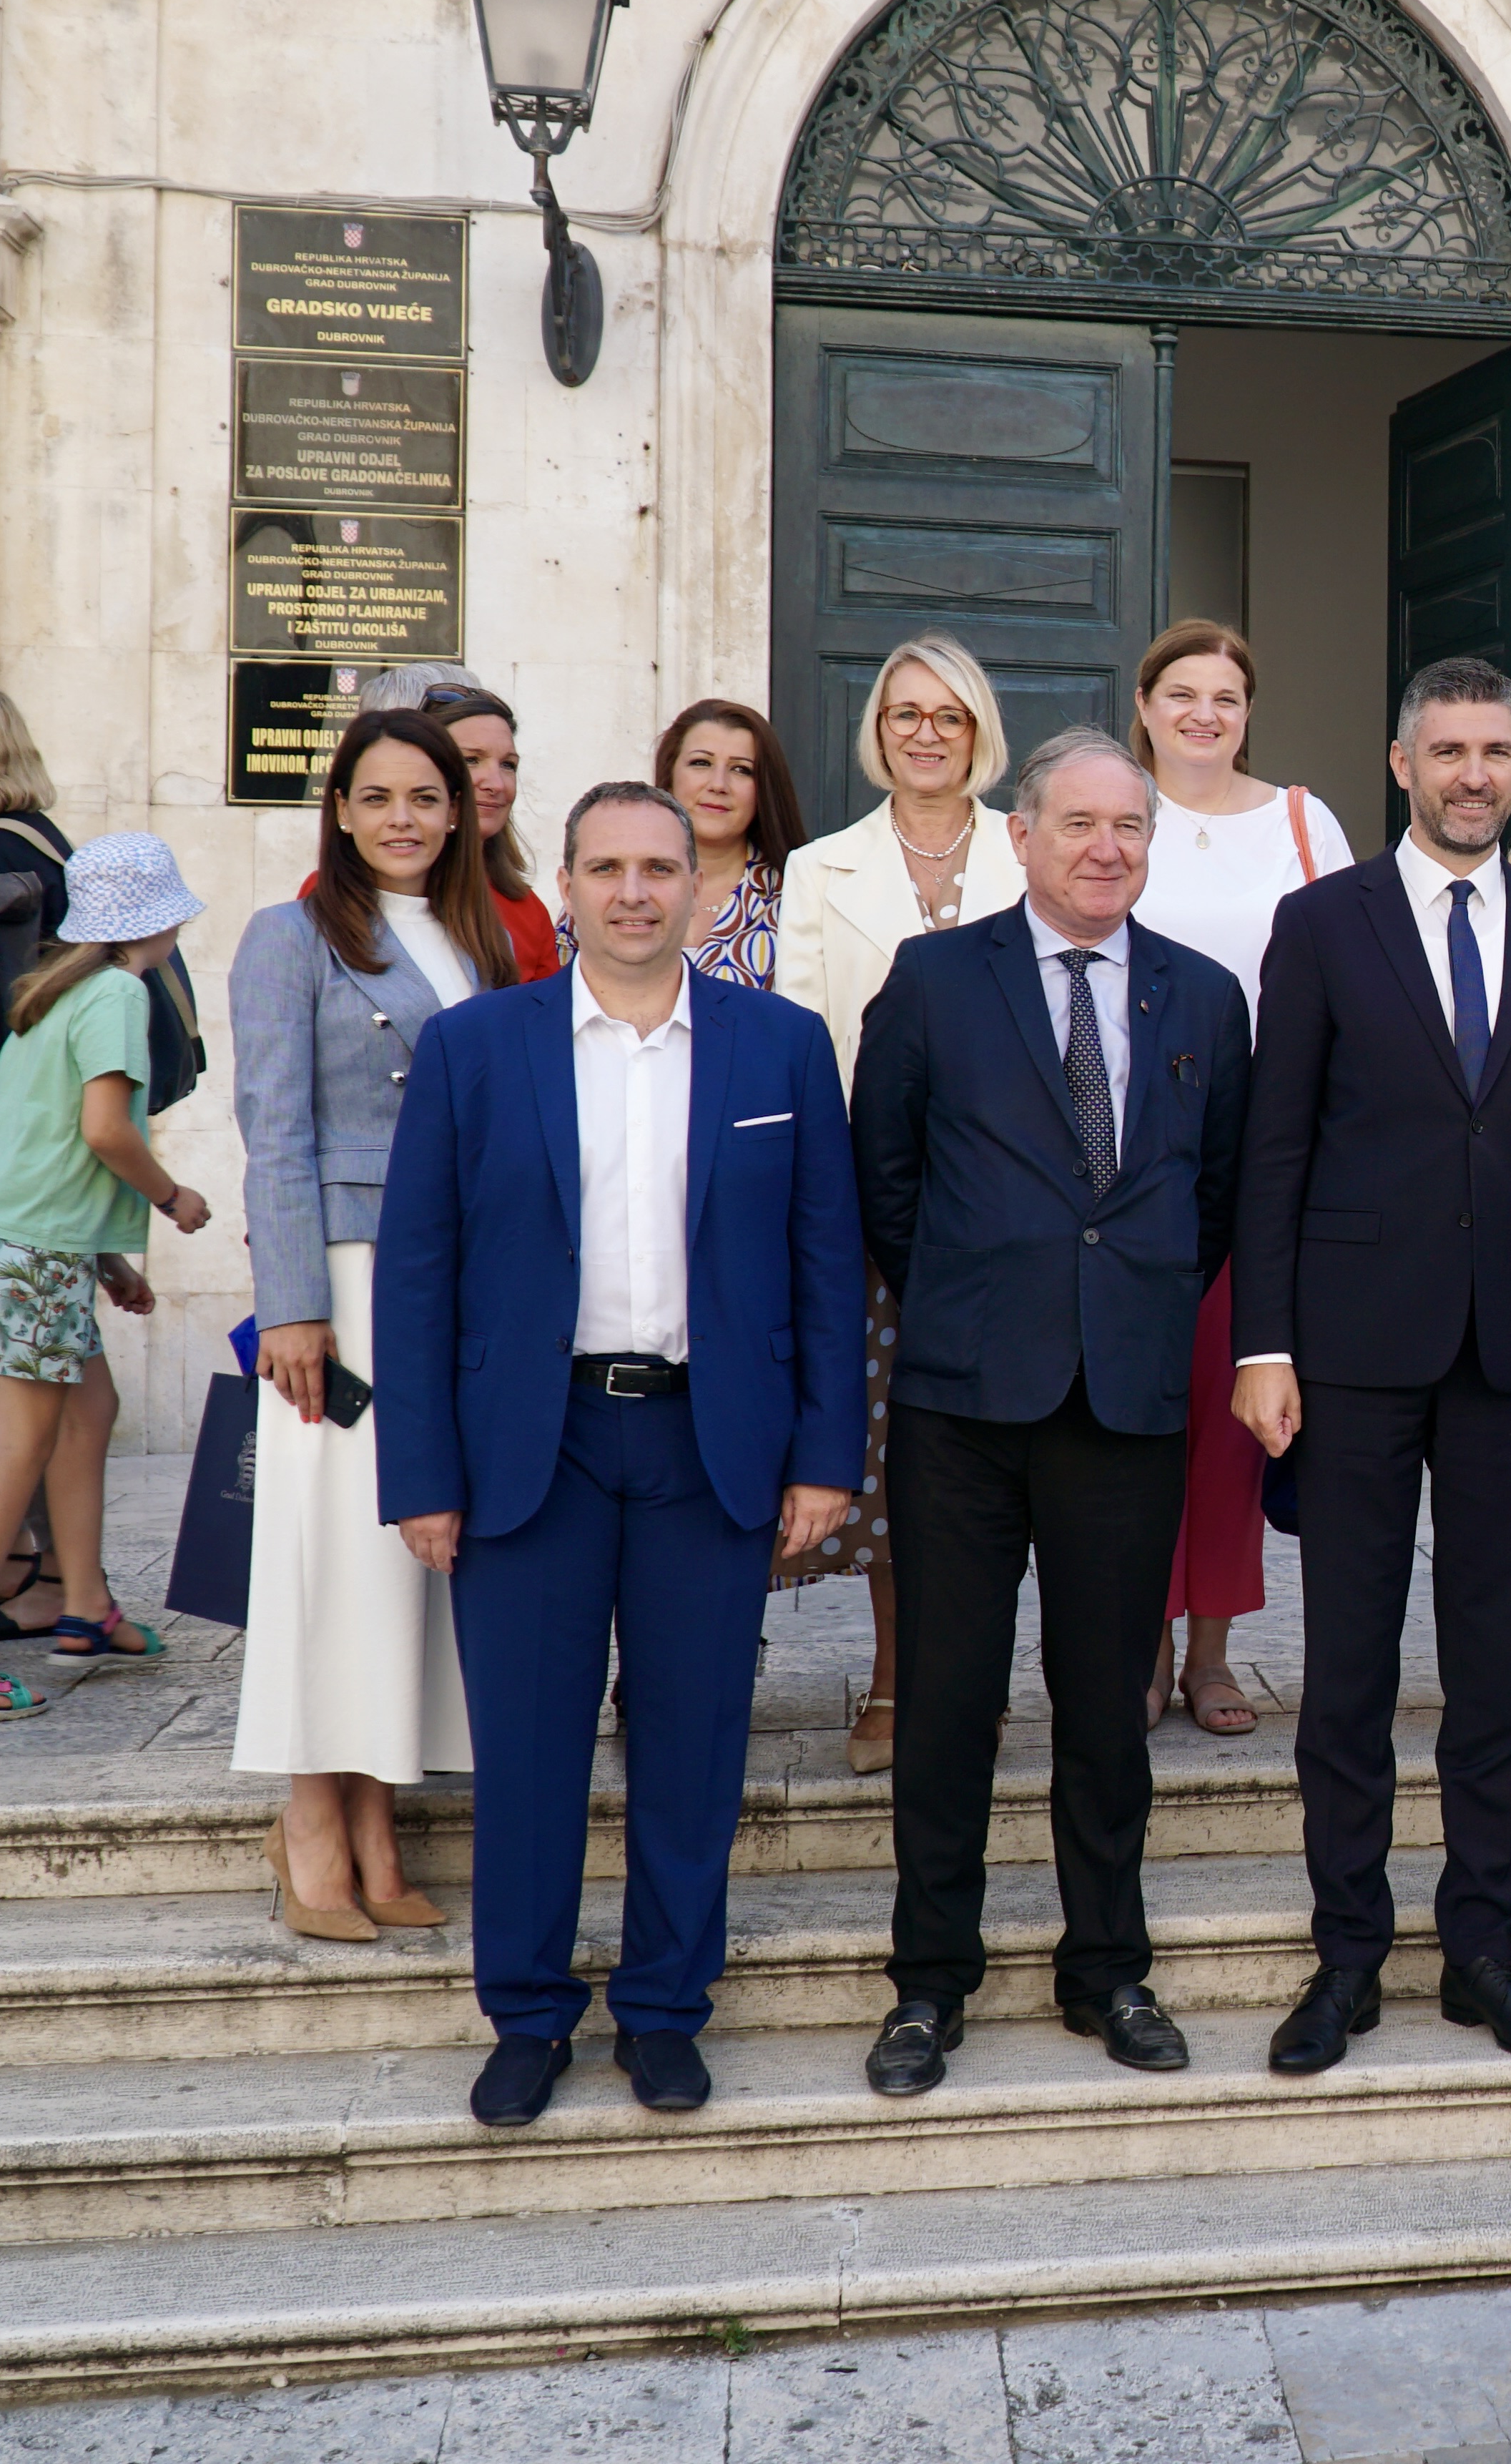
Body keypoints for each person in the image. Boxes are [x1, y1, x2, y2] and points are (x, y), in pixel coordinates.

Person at [370, 782, 862, 2130]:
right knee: (528, 1750)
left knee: (694, 1743)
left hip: (713, 1442)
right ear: (567, 887)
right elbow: (420, 1272)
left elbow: (829, 1263)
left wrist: (826, 1456)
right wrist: (421, 1472)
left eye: (661, 868)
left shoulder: (781, 1049)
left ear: (701, 888)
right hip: (538, 1444)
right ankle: (527, 2014)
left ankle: (662, 2010)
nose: (636, 892)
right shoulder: (478, 1048)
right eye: (607, 869)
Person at [1232, 657, 1511, 2076]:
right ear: (1400, 763)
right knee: (1342, 1668)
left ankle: (1482, 1947)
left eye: (1496, 748)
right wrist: (1263, 1344)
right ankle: (1346, 1953)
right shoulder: (1322, 922)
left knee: (1493, 1674)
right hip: (1346, 1349)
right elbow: (1274, 1146)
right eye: (1448, 748)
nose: (1475, 772)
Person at [850, 732, 1253, 2094]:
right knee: (949, 1703)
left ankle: (1108, 1970)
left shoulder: (1202, 999)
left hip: (1124, 1402)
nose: (1106, 849)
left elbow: (1214, 1199)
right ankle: (929, 1986)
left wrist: (1122, 1307)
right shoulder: (934, 980)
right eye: (1078, 824)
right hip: (965, 1398)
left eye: (1128, 829)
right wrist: (982, 1295)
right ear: (1019, 838)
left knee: (1104, 1708)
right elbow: (884, 1176)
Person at [228, 709, 517, 1938]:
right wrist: (291, 1302)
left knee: (409, 1560)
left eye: (426, 796)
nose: (403, 818)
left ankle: (376, 1814)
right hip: (344, 1277)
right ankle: (310, 1817)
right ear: (339, 810)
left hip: (463, 1274)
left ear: (459, 813)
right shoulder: (287, 937)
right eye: (377, 796)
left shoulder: (481, 936)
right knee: (328, 1550)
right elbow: (271, 1127)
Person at [775, 634, 1024, 1775]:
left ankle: (997, 1680)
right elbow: (803, 1042)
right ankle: (895, 1679)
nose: (926, 733)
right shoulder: (821, 867)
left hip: (1020, 1207)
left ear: (981, 733)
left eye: (949, 715)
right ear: (877, 731)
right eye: (904, 714)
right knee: (900, 1454)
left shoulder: (1035, 852)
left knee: (1023, 1453)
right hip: (878, 1205)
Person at [0, 835, 212, 1720]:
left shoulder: (56, 990)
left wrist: (103, 1260)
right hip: (29, 1250)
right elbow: (107, 1130)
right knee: (18, 1447)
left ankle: (85, 1601)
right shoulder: (117, 994)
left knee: (92, 1407)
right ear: (166, 918)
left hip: (0, 1238)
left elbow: (39, 1144)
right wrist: (174, 1197)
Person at [0, 677, 207, 1523]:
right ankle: (61, 1588)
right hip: (36, 1207)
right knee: (51, 1405)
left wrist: (164, 1200)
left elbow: (36, 1088)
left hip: (0, 1194)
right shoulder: (48, 848)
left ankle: (13, 1581)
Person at [1123, 621, 1349, 1738]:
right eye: (1183, 692)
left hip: (1258, 1154)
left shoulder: (1304, 822)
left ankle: (1212, 1649)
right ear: (1146, 703)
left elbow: (1358, 977)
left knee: (1231, 1408)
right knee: (1132, 1414)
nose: (1204, 714)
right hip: (1117, 1160)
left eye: (1227, 695)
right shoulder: (1111, 814)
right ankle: (1143, 1644)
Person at [361, 672, 562, 983]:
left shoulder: (526, 910)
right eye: (471, 760)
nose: (496, 784)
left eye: (508, 765)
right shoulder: (343, 891)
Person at [654, 698, 808, 991]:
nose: (719, 784)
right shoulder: (611, 883)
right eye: (701, 763)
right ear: (670, 775)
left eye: (741, 770)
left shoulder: (797, 898)